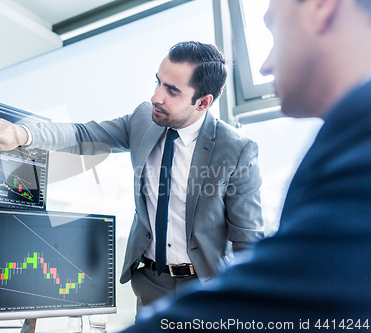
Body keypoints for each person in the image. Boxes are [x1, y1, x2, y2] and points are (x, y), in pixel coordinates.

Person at [114, 0, 371, 331]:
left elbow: (285, 288)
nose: (264, 67)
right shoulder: (347, 135)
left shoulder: (358, 138)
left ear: (321, 8)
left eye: (274, 33)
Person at [0, 42, 264, 309]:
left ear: (203, 102)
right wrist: (24, 133)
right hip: (150, 281)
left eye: (172, 91)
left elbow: (247, 239)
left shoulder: (236, 149)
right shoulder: (144, 119)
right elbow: (83, 134)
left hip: (206, 286)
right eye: (158, 82)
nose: (156, 96)